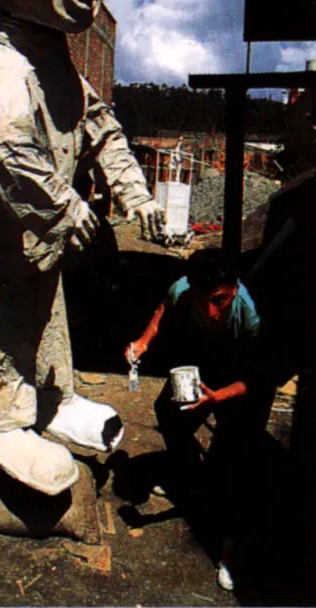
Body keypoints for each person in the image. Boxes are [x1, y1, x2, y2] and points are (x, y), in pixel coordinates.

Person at [0, 0, 165, 496]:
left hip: (42, 244)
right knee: (7, 319)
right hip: (8, 242)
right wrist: (63, 206)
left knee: (49, 317)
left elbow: (100, 125)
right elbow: (2, 144)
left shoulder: (57, 63)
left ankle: (50, 396)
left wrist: (135, 192)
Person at [125, 247, 275, 592]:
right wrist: (144, 341)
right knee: (169, 410)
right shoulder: (183, 289)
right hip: (213, 362)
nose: (212, 312)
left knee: (236, 461)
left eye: (220, 301)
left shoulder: (250, 315)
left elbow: (262, 377)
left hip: (247, 380)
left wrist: (216, 399)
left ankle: (232, 550)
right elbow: (165, 306)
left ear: (233, 290)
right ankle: (190, 480)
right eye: (203, 300)